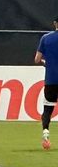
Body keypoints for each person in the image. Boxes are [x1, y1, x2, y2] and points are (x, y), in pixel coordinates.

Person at [34, 14, 58, 149]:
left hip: (51, 80)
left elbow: (37, 59)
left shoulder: (46, 38)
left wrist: (46, 63)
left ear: (55, 23)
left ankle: (45, 133)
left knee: (48, 109)